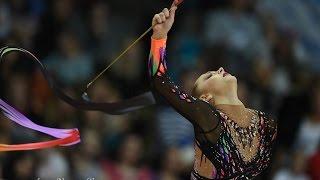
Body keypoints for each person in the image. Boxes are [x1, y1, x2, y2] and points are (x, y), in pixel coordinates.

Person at [148, 3, 277, 179]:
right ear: (206, 98)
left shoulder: (265, 123)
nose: (221, 69)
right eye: (210, 76)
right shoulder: (209, 118)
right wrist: (159, 36)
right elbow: (159, 82)